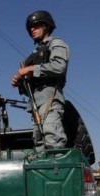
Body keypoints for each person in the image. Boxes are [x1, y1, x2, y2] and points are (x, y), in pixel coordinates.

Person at [11, 10, 69, 152]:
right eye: (30, 27)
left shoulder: (56, 43)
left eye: (36, 26)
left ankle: (57, 171)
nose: (32, 29)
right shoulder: (34, 54)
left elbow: (59, 67)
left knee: (52, 137)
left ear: (46, 26)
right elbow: (27, 88)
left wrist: (31, 69)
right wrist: (20, 82)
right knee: (39, 143)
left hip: (50, 98)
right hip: (35, 103)